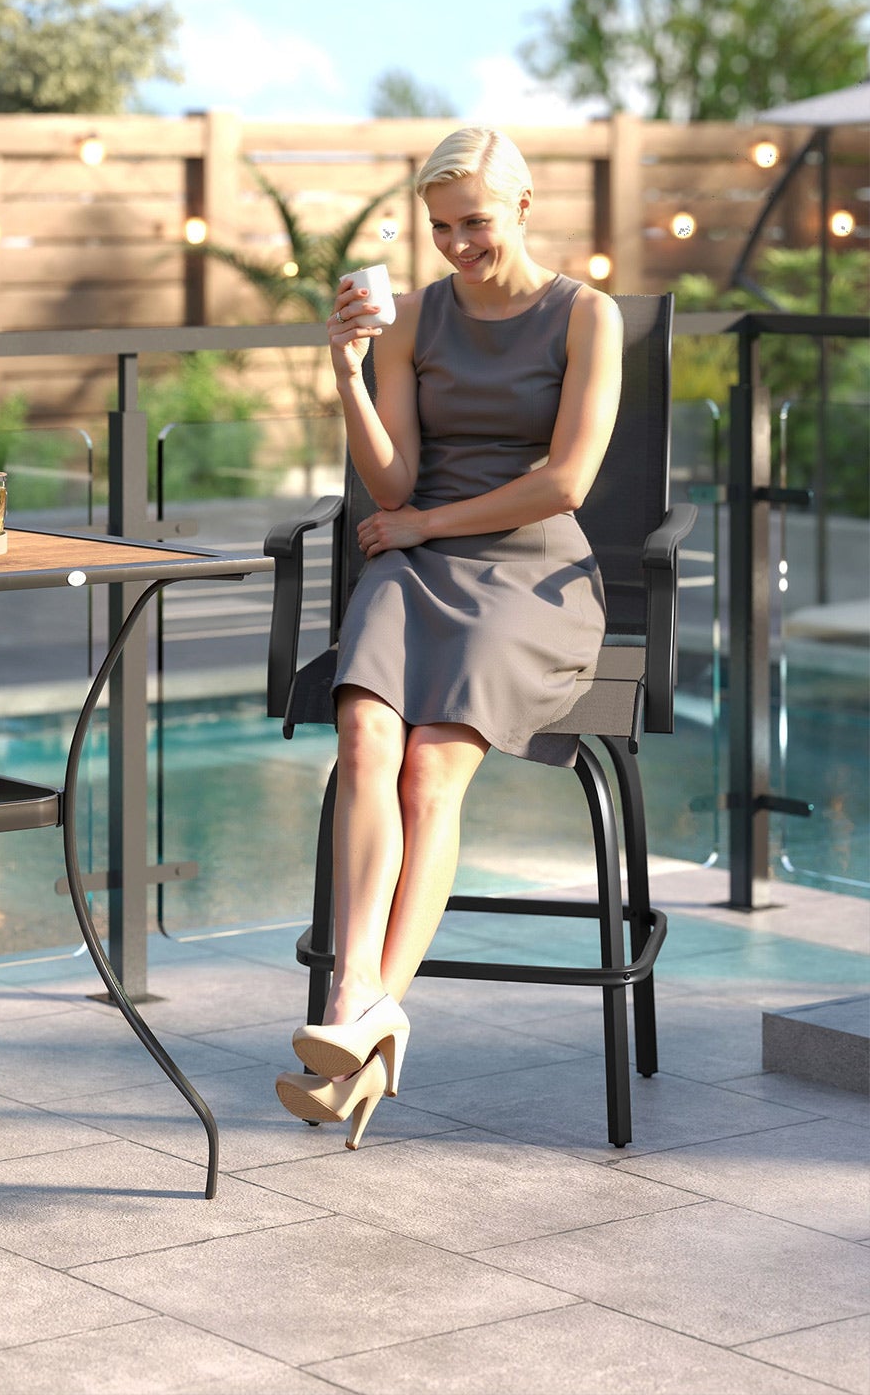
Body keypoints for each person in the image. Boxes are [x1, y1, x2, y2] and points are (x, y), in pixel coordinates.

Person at [275, 126, 622, 1147]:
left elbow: (565, 482)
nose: (456, 242)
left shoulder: (585, 315)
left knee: (430, 768)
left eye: (472, 219)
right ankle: (356, 1005)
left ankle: (359, 1013)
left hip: (530, 574)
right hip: (410, 562)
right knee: (365, 745)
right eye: (438, 226)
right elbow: (387, 482)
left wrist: (424, 523)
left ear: (521, 204)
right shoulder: (413, 317)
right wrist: (345, 369)